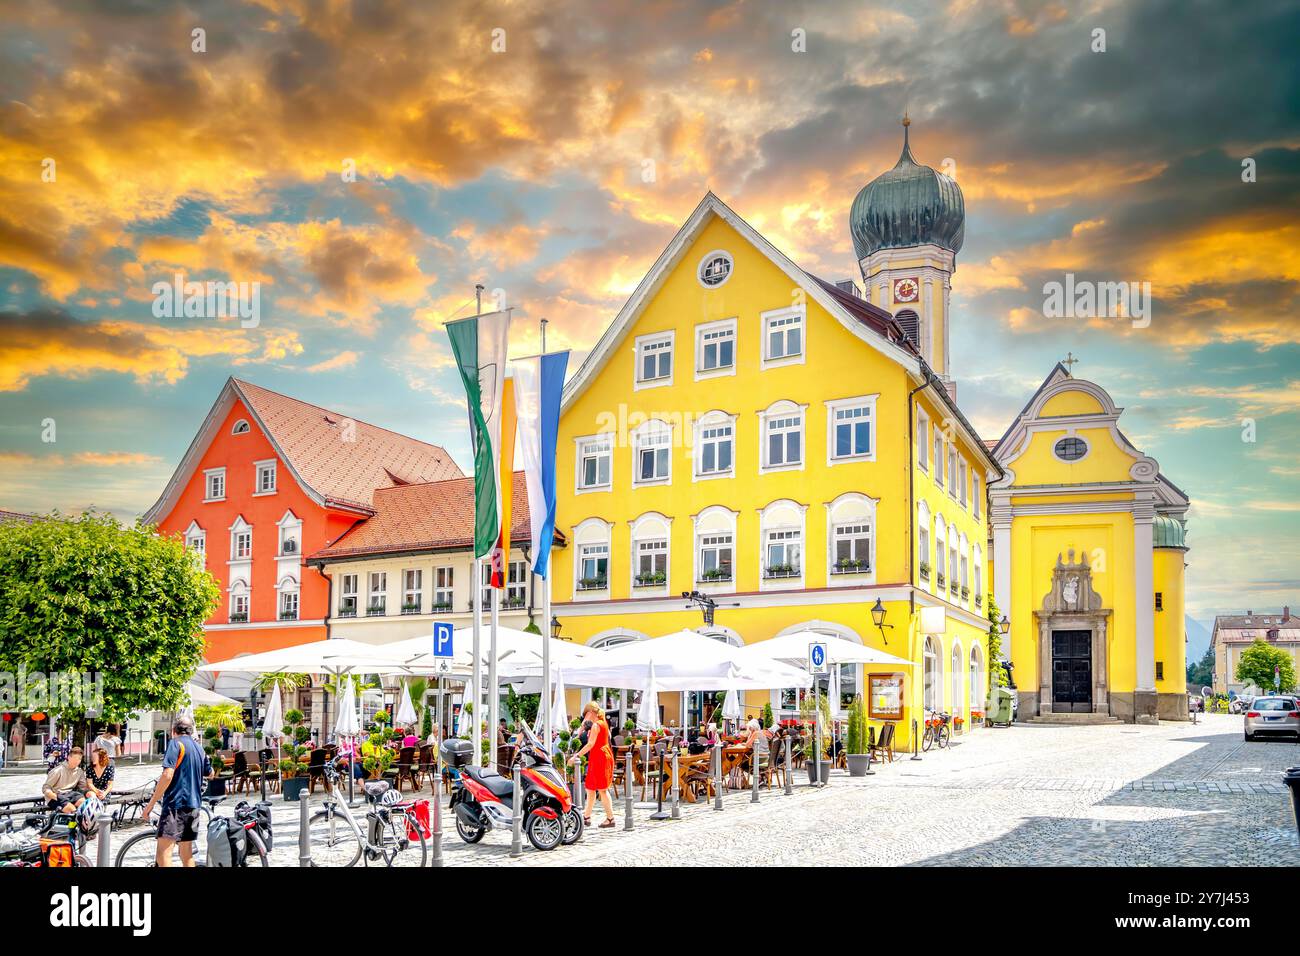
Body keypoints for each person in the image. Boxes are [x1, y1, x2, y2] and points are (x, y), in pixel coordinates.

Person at [141, 718, 212, 868]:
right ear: (191, 731)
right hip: (194, 806)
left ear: (173, 731)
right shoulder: (200, 749)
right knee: (186, 854)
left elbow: (167, 774)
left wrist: (151, 804)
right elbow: (210, 773)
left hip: (175, 805)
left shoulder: (175, 744)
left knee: (163, 854)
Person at [569, 701, 615, 828]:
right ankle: (587, 817)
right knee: (590, 788)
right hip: (600, 757)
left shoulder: (596, 725)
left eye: (585, 714)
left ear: (590, 712)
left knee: (602, 789)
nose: (584, 717)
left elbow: (590, 745)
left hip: (599, 758)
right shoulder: (602, 722)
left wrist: (575, 756)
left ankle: (610, 819)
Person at [42, 746, 87, 811]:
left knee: (84, 805)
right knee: (72, 809)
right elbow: (45, 788)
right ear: (69, 757)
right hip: (56, 795)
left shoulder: (79, 771)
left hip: (70, 794)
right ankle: (70, 820)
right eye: (74, 758)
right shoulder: (58, 770)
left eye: (79, 759)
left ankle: (82, 820)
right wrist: (56, 797)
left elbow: (82, 787)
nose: (77, 761)